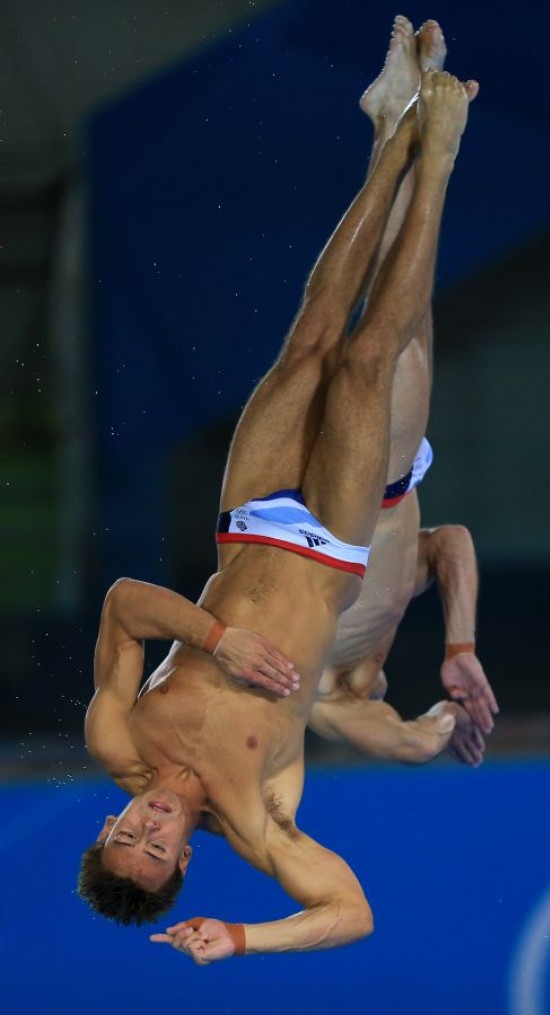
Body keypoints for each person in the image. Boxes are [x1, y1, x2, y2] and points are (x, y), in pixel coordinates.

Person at [78, 22, 478, 964]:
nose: (151, 824)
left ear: (109, 823)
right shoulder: (259, 817)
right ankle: (437, 159)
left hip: (247, 524)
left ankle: (392, 138)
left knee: (310, 334)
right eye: (159, 847)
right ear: (182, 861)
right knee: (368, 355)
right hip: (331, 543)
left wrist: (215, 638)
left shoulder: (116, 736)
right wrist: (244, 936)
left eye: (129, 831)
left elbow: (124, 604)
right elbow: (350, 910)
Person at [310, 17, 497, 769]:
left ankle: (411, 129)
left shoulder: (326, 690)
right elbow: (451, 543)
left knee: (401, 303)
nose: (386, 683)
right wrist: (459, 649)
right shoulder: (383, 618)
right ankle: (401, 119)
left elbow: (414, 743)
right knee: (405, 306)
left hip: (365, 472)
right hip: (379, 470)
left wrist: (447, 717)